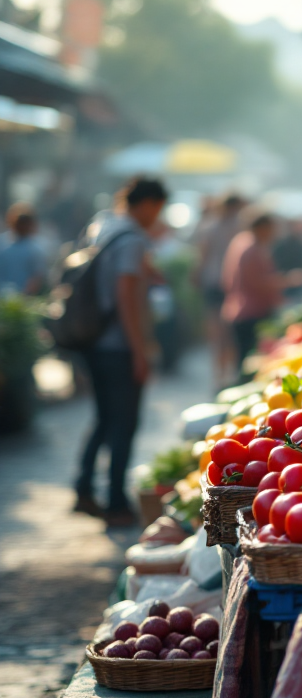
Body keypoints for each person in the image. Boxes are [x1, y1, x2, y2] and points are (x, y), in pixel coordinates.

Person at [74, 177, 167, 526]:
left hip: (93, 340)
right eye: (157, 208)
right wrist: (139, 350)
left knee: (103, 417)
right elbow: (125, 295)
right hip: (118, 345)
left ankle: (84, 487)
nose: (156, 216)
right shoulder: (132, 238)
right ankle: (115, 503)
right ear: (146, 203)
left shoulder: (103, 225)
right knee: (123, 424)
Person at [222, 209, 302, 381]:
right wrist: (287, 280)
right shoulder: (251, 248)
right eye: (271, 229)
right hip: (250, 312)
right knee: (247, 364)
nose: (274, 234)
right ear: (262, 228)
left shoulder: (242, 242)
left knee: (244, 361)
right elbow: (258, 283)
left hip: (240, 309)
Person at [193, 193, 244, 388]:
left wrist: (197, 275)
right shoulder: (237, 227)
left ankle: (220, 375)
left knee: (217, 333)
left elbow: (202, 256)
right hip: (227, 283)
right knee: (227, 332)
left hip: (214, 282)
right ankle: (226, 374)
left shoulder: (211, 226)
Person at [0, 203, 48, 295]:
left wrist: (23, 297)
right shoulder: (2, 244)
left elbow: (37, 278)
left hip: (20, 301)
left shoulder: (35, 250)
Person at [272, 218, 302, 304]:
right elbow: (277, 264)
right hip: (288, 285)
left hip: (300, 282)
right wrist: (289, 276)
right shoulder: (282, 244)